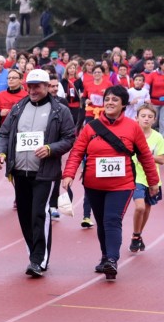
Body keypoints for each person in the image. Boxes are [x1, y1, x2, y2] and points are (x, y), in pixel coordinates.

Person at [62, 86, 160, 280]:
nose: (109, 102)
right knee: (101, 222)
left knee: (112, 220)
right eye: (107, 99)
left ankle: (112, 260)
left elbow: (146, 158)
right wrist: (69, 174)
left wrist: (153, 182)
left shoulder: (133, 128)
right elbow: (77, 152)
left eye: (115, 100)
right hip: (93, 185)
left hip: (121, 186)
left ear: (123, 104)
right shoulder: (91, 127)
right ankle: (106, 256)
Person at [0, 69, 76, 278]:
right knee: (24, 215)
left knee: (39, 214)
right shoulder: (18, 107)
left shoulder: (59, 110)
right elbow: (3, 133)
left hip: (45, 173)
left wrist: (50, 148)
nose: (32, 90)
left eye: (37, 86)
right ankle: (35, 255)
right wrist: (1, 152)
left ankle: (38, 259)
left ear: (47, 87)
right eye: (29, 86)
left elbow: (69, 138)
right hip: (20, 172)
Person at [129, 104, 164, 252]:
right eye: (143, 116)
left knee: (147, 209)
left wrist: (145, 155)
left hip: (152, 178)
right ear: (136, 118)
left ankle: (137, 235)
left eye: (150, 117)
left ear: (154, 120)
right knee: (140, 207)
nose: (146, 119)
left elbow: (162, 159)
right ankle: (136, 235)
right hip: (135, 177)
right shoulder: (131, 134)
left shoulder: (158, 137)